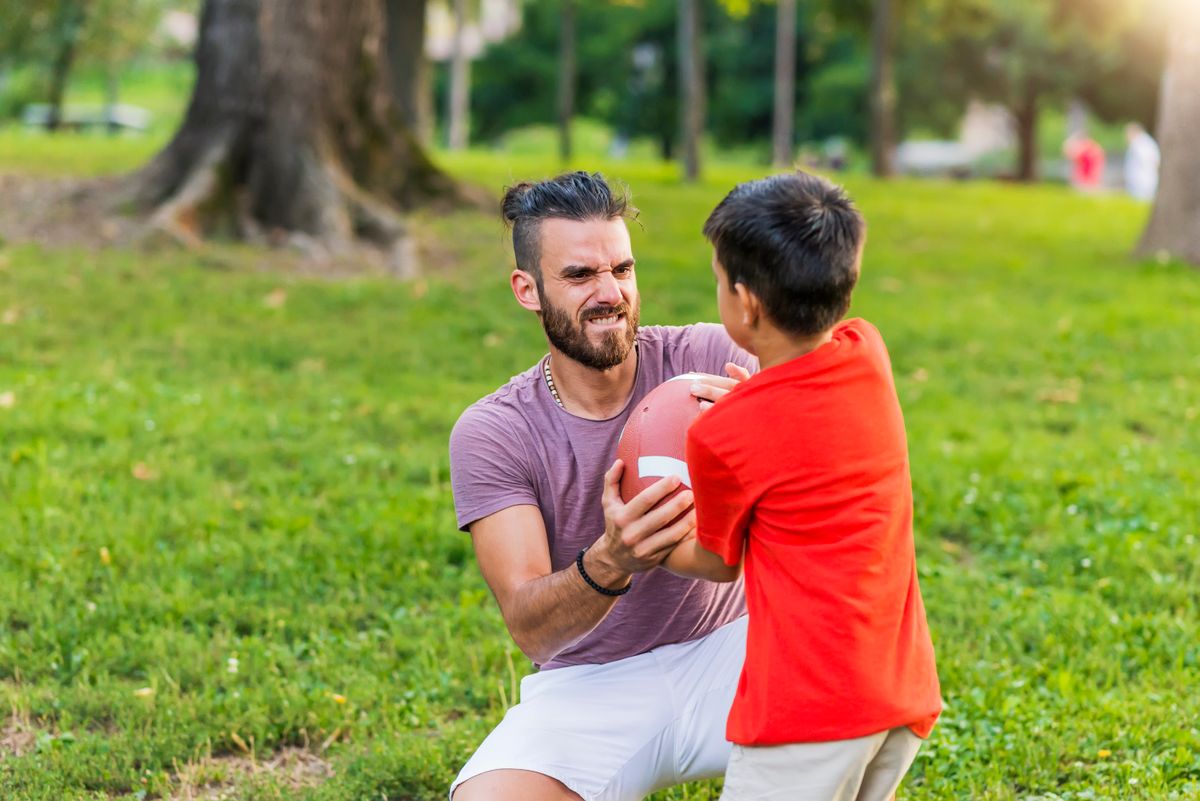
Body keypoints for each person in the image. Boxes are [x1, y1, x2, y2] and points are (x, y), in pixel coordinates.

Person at [448, 171, 758, 801]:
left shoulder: (717, 359)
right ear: (527, 290)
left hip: (739, 647)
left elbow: (843, 430)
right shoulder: (495, 431)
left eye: (622, 269)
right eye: (580, 276)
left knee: (865, 679)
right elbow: (532, 629)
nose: (610, 293)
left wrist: (771, 425)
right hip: (593, 684)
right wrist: (612, 559)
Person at [665, 171, 942, 801]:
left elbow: (714, 563)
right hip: (898, 692)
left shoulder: (722, 437)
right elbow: (803, 416)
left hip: (809, 714)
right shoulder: (866, 349)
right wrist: (755, 409)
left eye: (718, 278)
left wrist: (645, 539)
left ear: (746, 303)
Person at [1123, 122, 1160, 202]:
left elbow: (1152, 161)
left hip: (1142, 182)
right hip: (1141, 182)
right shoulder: (1141, 143)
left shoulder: (1141, 144)